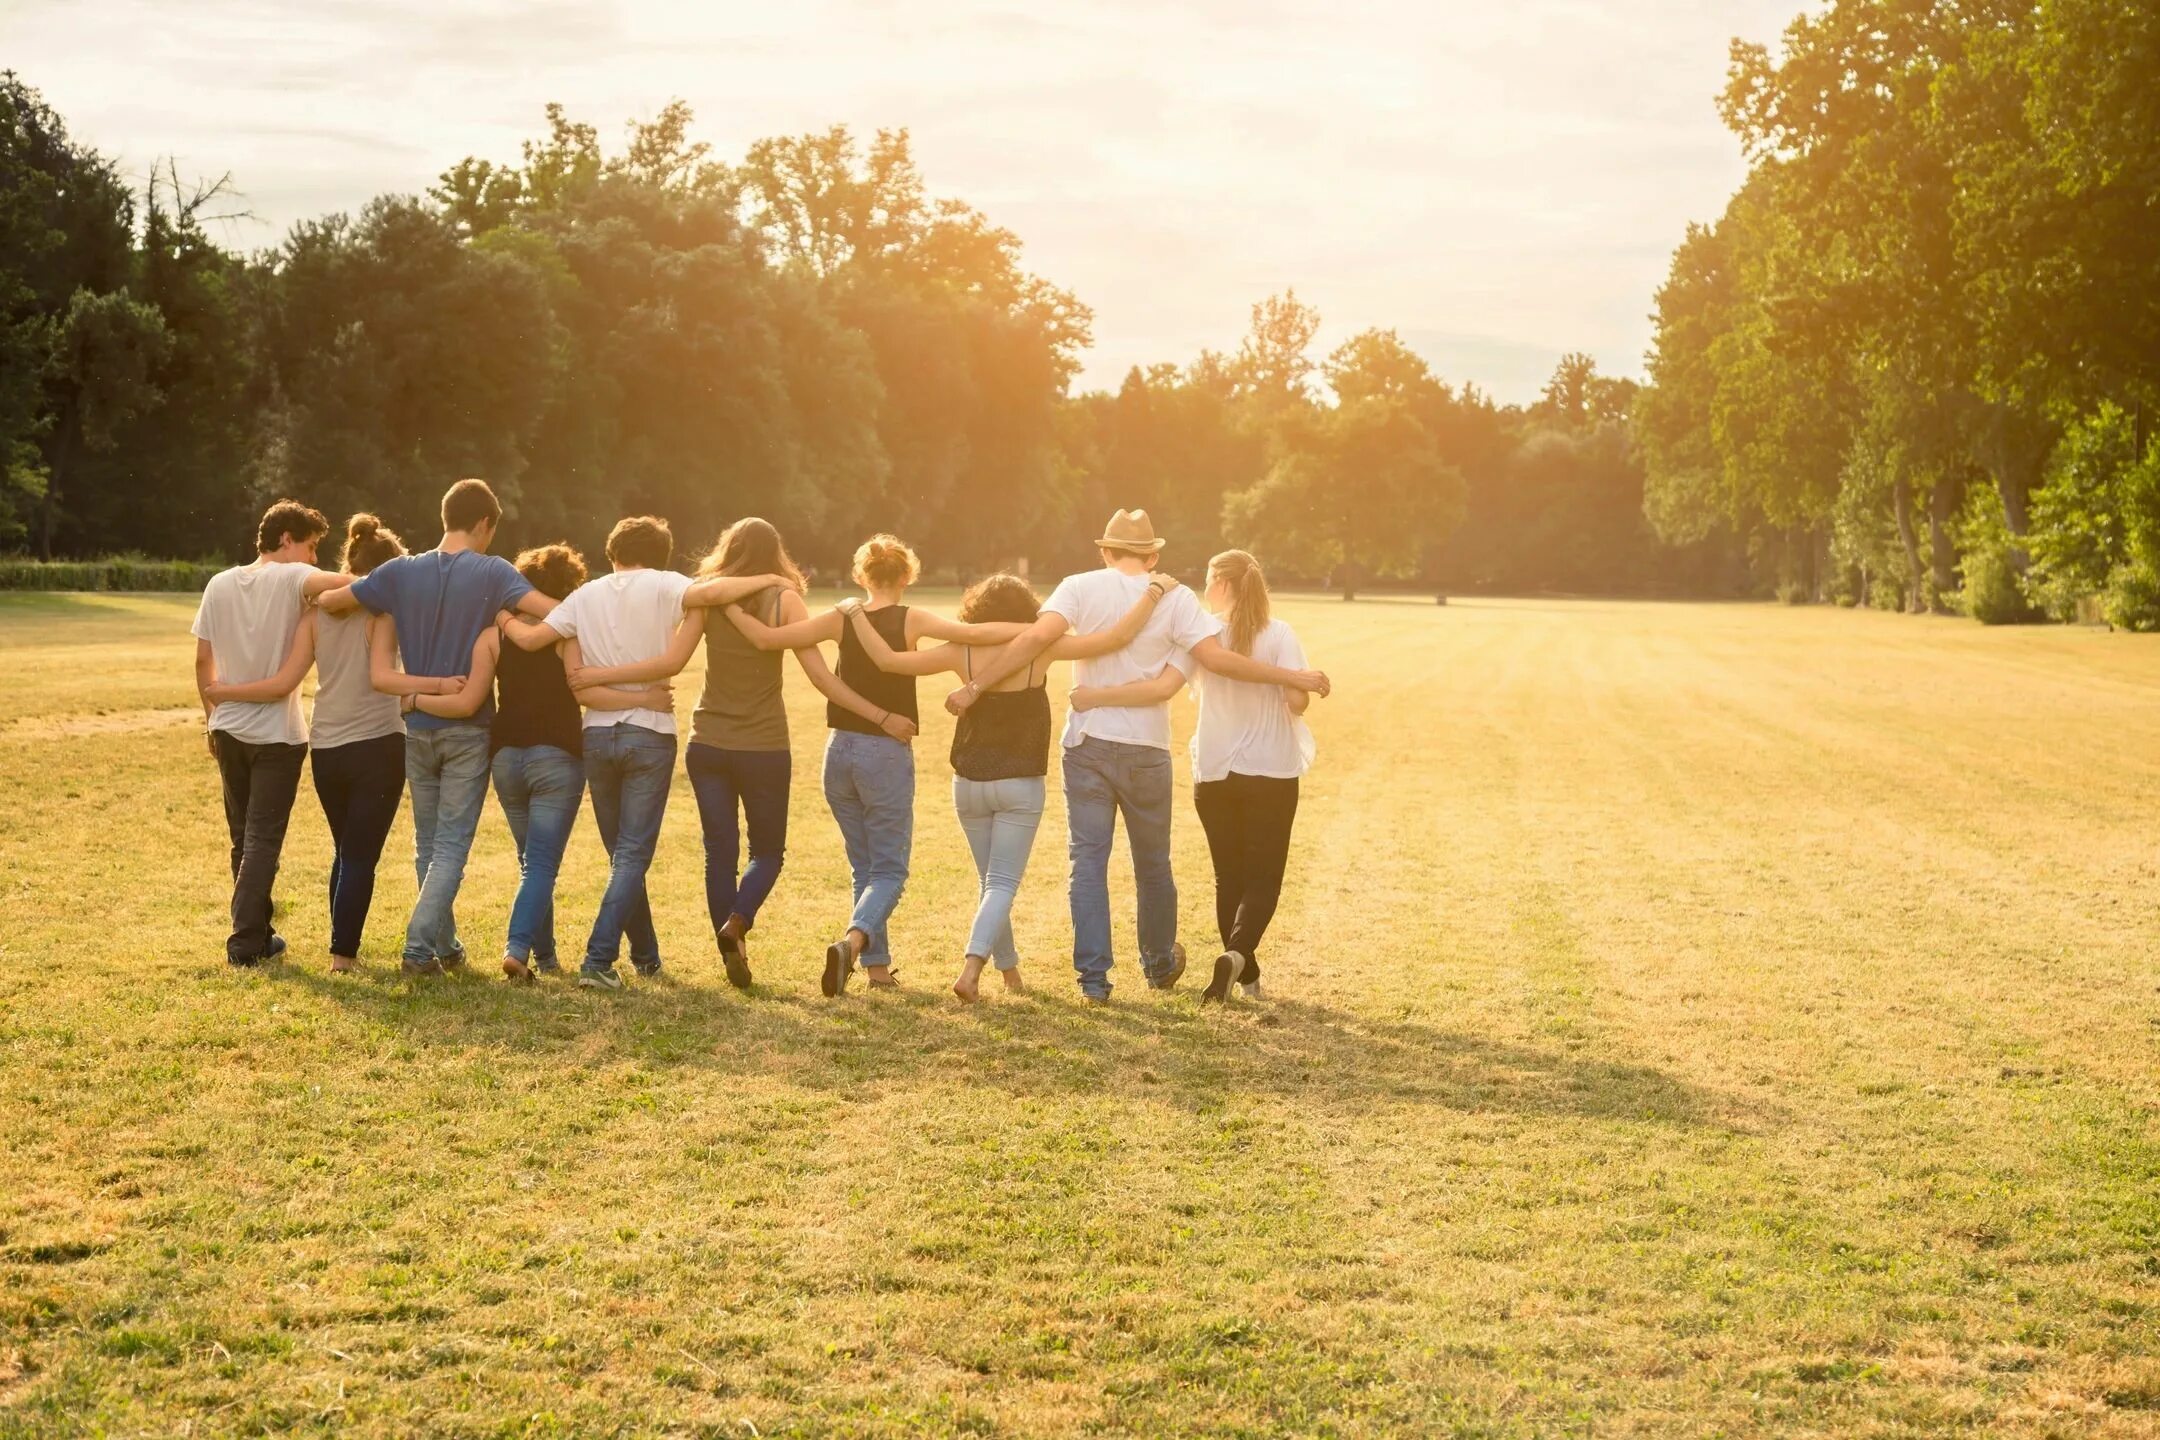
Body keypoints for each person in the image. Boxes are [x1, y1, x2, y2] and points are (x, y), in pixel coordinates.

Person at [947, 509, 1329, 1003]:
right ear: (1153, 556)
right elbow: (1212, 662)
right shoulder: (1178, 599)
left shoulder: (1078, 586)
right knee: (1153, 864)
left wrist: (976, 686)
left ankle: (1094, 981)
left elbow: (1036, 637)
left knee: (1087, 863)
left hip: (1085, 744)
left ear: (1105, 551)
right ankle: (1159, 964)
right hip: (1146, 748)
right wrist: (1294, 677)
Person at [564, 518, 904, 991]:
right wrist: (881, 715)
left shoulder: (711, 596)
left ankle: (733, 946)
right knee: (767, 852)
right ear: (776, 554)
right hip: (764, 746)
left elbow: (673, 660)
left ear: (728, 549)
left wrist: (601, 675)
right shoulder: (785, 598)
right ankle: (738, 923)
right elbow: (823, 679)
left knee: (717, 855)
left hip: (708, 743)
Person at [720, 533, 1040, 996]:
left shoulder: (838, 618)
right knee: (889, 871)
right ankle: (852, 944)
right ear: (908, 575)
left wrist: (722, 600)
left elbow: (766, 638)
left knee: (864, 867)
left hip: (838, 751)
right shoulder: (912, 619)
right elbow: (977, 634)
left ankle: (876, 969)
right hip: (884, 754)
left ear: (859, 575)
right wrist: (1035, 630)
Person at [834, 572, 1170, 1001]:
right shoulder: (1043, 647)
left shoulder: (961, 649)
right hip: (1019, 785)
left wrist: (855, 613)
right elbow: (1115, 638)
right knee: (1001, 883)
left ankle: (1009, 973)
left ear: (975, 613)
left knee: (988, 881)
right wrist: (1153, 592)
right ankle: (971, 971)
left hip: (968, 783)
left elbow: (888, 661)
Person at [319, 478, 559, 976]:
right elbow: (553, 611)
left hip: (416, 727)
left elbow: (334, 602)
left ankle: (445, 949)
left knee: (427, 845)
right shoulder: (494, 571)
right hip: (469, 728)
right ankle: (417, 950)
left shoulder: (399, 572)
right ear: (485, 524)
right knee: (449, 847)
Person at [421, 539, 675, 983]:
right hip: (555, 757)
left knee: (529, 862)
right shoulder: (568, 633)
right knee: (541, 864)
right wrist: (643, 697)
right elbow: (584, 689)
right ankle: (517, 950)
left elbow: (473, 696)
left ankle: (547, 958)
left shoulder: (493, 635)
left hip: (505, 758)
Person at [1071, 550, 1315, 1003]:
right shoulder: (1280, 634)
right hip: (1271, 771)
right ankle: (1239, 954)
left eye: (1208, 579)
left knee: (1229, 877)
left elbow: (1163, 686)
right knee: (1263, 879)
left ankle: (1245, 974)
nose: (1204, 588)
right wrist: (1297, 687)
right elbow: (1296, 702)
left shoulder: (1197, 635)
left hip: (1216, 771)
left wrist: (1096, 695)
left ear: (1223, 584)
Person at [190, 499, 357, 967]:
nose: (313, 559)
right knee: (262, 841)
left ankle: (260, 935)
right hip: (277, 737)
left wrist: (211, 714)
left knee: (242, 838)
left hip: (227, 729)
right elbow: (354, 584)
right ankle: (245, 944)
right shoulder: (292, 578)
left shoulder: (219, 583)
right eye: (310, 547)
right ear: (286, 540)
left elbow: (204, 663)